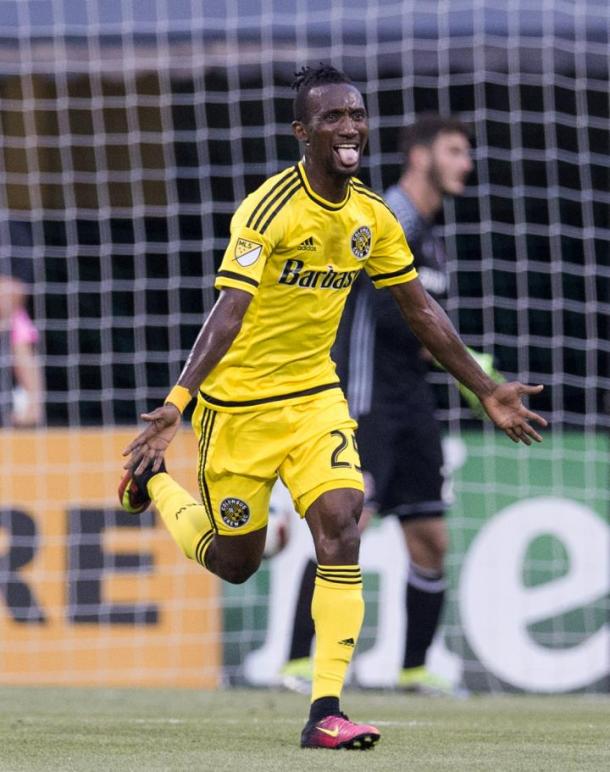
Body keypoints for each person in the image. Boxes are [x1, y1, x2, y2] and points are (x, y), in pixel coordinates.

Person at [119, 66, 546, 751]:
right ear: (303, 132)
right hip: (239, 410)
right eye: (333, 118)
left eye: (357, 115)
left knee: (344, 522)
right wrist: (178, 401)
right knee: (236, 563)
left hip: (317, 398)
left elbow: (420, 309)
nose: (350, 128)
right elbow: (229, 311)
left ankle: (324, 711)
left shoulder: (371, 217)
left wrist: (483, 387)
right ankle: (152, 484)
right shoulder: (268, 210)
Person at [281, 114, 502, 696]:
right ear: (421, 156)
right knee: (346, 523)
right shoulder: (385, 218)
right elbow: (386, 311)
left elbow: (421, 320)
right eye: (456, 151)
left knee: (430, 536)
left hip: (413, 402)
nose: (466, 164)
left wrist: (462, 363)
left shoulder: (431, 233)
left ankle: (414, 668)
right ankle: (300, 660)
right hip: (365, 397)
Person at [0, 220, 44, 428]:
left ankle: (31, 406)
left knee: (17, 325)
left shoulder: (10, 231)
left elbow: (10, 295)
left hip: (7, 325)